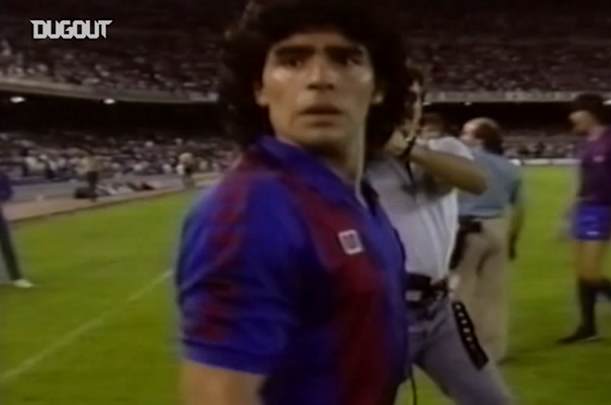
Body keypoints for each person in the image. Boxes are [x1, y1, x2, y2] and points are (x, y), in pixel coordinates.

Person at [175, 2, 412, 404]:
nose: (320, 79)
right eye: (292, 60)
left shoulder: (356, 196)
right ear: (259, 88)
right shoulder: (249, 212)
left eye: (346, 59)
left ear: (379, 88)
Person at [367, 75, 513, 404]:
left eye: (415, 99)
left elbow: (476, 181)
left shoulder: (442, 148)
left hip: (439, 309)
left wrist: (406, 149)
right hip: (381, 313)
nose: (408, 107)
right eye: (399, 98)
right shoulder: (357, 160)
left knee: (493, 400)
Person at [559, 93, 611, 344]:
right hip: (583, 208)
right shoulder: (586, 143)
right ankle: (588, 327)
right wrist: (566, 213)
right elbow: (579, 180)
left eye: (575, 111)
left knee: (591, 273)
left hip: (603, 209)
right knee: (581, 272)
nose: (571, 117)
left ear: (588, 113)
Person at [452, 117, 524, 362]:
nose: (462, 138)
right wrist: (512, 240)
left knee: (462, 290)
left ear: (479, 140)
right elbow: (520, 209)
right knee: (494, 293)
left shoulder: (465, 161)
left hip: (468, 228)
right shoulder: (510, 167)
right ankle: (494, 351)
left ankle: (463, 349)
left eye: (467, 133)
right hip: (499, 227)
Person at [0, 169, 33, 288]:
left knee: (7, 247)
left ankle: (17, 277)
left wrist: (1, 197)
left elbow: (8, 192)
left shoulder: (1, 174)